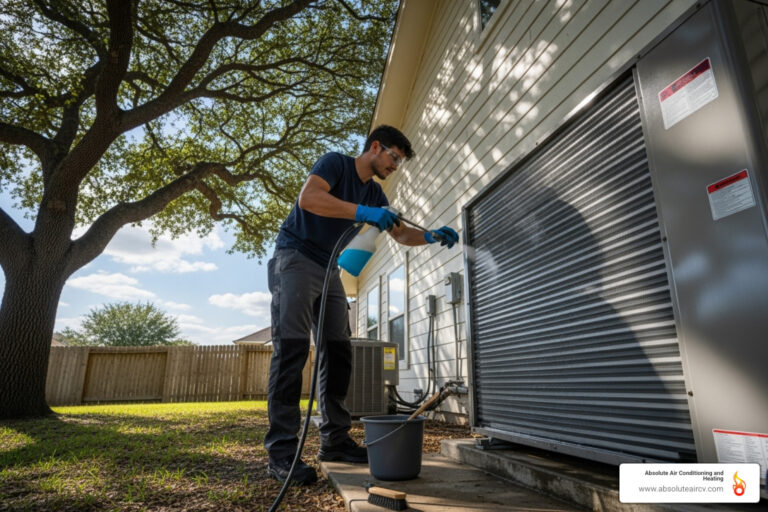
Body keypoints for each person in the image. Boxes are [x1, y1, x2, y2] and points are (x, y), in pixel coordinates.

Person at [265, 125, 459, 484]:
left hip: (329, 269)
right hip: (294, 258)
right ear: (375, 147)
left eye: (400, 162)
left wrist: (430, 236)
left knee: (339, 352)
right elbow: (309, 199)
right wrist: (363, 212)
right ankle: (281, 455)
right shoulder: (335, 164)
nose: (396, 166)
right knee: (291, 352)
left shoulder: (376, 194)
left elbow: (400, 233)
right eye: (394, 158)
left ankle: (334, 441)